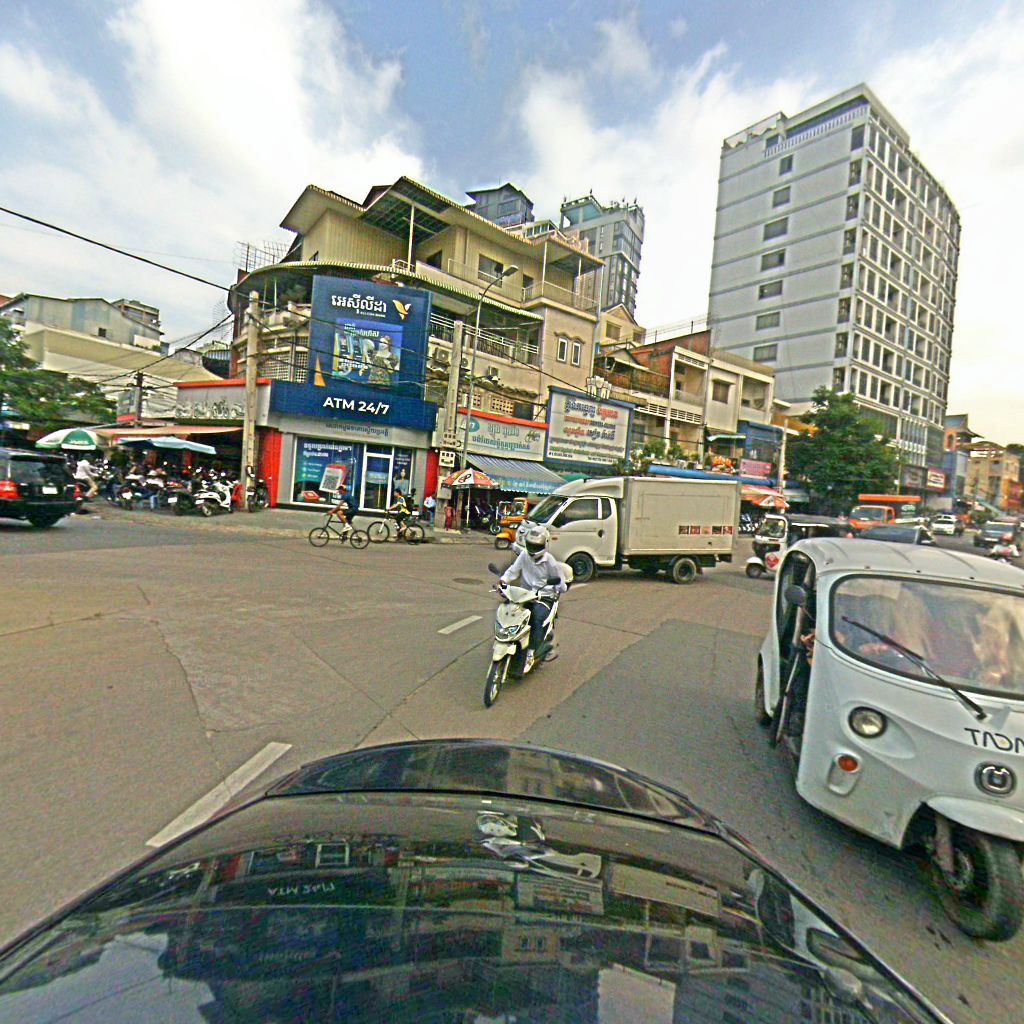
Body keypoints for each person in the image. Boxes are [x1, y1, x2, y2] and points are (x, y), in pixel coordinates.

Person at [499, 525, 567, 673]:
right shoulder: (524, 555)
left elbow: (561, 585)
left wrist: (554, 588)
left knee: (536, 618)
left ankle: (531, 652)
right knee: (510, 613)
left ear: (544, 544)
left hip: (544, 598)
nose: (533, 549)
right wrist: (503, 580)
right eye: (531, 545)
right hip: (525, 595)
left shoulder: (550, 562)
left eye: (536, 546)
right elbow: (513, 571)